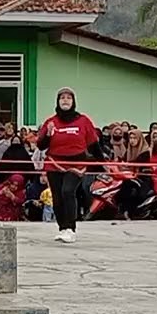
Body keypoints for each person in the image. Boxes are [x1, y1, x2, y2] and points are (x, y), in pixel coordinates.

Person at [36, 87, 100, 243]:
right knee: (56, 197)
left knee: (68, 191)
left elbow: (93, 144)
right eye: (62, 97)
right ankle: (62, 227)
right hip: (54, 163)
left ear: (73, 101)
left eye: (68, 98)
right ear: (58, 101)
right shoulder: (51, 122)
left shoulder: (83, 120)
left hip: (76, 164)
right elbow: (40, 146)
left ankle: (71, 228)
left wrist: (102, 163)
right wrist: (48, 136)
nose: (65, 100)